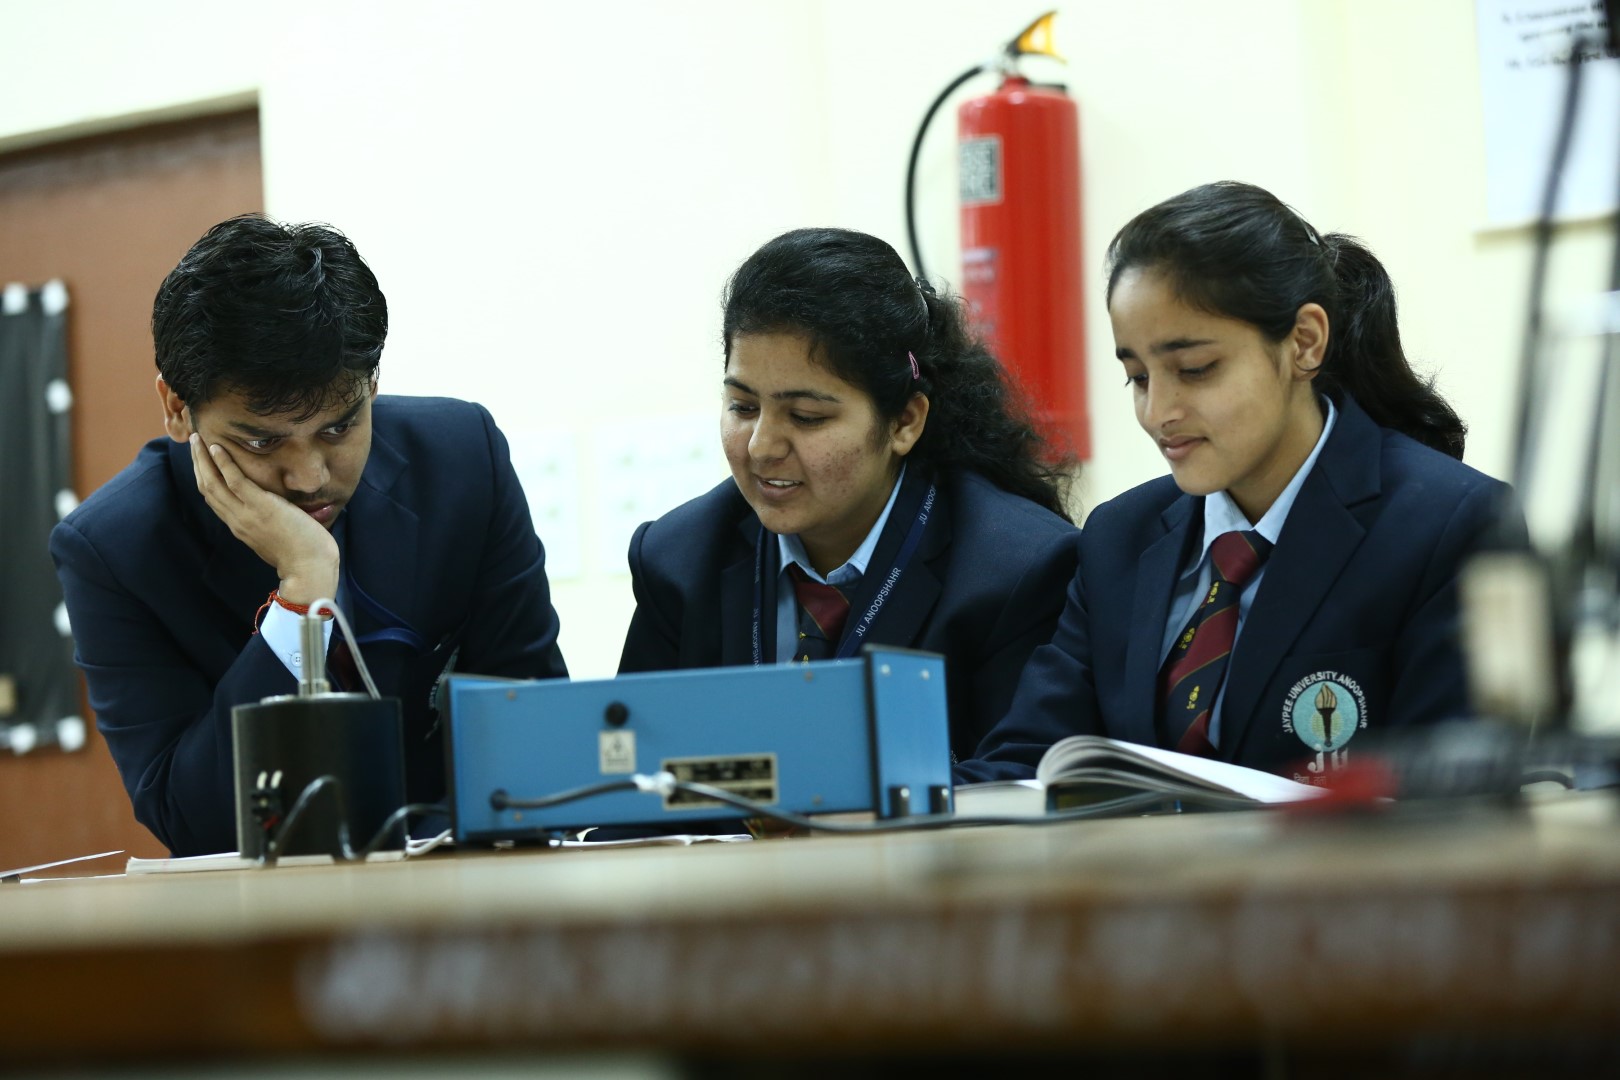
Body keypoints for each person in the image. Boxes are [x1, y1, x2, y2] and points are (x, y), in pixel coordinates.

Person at [51, 215, 567, 856]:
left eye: (339, 428)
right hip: (269, 923)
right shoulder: (115, 549)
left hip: (469, 892)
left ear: (373, 385)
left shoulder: (461, 459)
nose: (308, 476)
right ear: (177, 407)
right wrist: (302, 593)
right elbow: (194, 822)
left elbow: (537, 730)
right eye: (261, 441)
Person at [1000, 181, 1523, 783]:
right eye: (1138, 377)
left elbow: (1466, 795)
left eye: (1195, 370)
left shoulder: (1452, 524)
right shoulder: (1118, 539)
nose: (1157, 411)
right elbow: (1024, 758)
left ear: (1304, 342)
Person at [618, 227, 1080, 781]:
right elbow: (632, 787)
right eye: (742, 407)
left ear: (905, 421)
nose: (763, 446)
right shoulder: (679, 559)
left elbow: (1022, 783)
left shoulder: (1016, 569)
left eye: (806, 417)